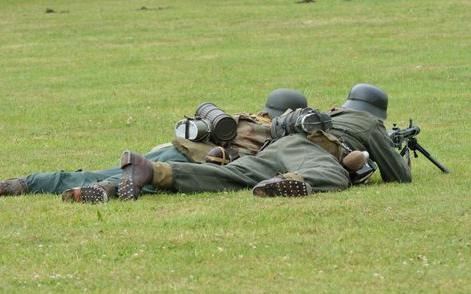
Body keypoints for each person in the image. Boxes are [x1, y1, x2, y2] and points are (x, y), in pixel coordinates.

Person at [0, 88, 309, 202]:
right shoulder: (280, 134)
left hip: (171, 148)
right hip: (190, 165)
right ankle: (103, 190)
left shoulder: (241, 118)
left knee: (109, 171)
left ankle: (10, 186)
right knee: (148, 183)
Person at [115, 83, 411, 200]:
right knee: (333, 174)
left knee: (231, 175)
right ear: (377, 113)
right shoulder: (369, 123)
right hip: (309, 152)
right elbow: (399, 176)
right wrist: (402, 156)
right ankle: (291, 182)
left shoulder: (330, 114)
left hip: (276, 146)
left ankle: (152, 171)